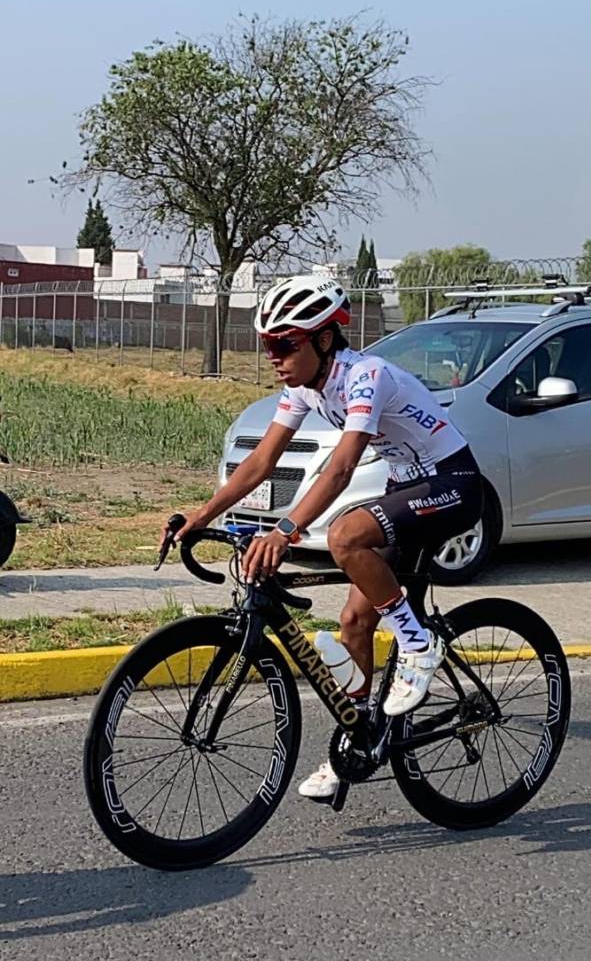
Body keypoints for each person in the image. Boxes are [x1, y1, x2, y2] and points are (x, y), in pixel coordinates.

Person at [172, 275, 483, 801]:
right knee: (354, 621)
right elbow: (261, 463)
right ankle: (358, 740)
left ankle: (417, 643)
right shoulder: (302, 389)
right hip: (406, 488)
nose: (273, 355)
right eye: (267, 344)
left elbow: (340, 468)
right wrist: (199, 517)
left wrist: (287, 528)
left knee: (344, 536)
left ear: (322, 339)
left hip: (452, 485)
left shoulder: (366, 375)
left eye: (283, 344)